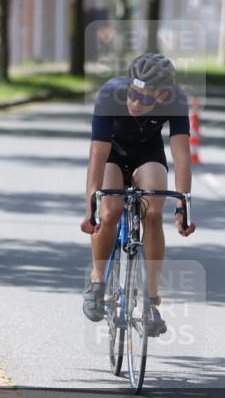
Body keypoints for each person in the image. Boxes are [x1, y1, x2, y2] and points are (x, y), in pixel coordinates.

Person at [80, 53, 196, 336]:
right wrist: (89, 209)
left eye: (145, 99)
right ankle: (97, 281)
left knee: (154, 213)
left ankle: (151, 301)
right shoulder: (111, 94)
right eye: (133, 94)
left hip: (147, 153)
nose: (135, 102)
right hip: (113, 153)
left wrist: (183, 209)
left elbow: (182, 157)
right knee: (110, 212)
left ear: (163, 95)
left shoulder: (176, 100)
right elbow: (97, 156)